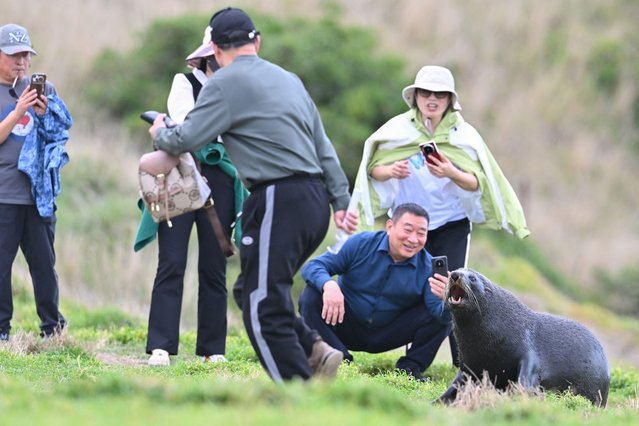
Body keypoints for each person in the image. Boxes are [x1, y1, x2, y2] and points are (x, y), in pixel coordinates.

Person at [148, 7, 358, 382]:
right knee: (252, 290)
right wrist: (341, 201)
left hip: (279, 197)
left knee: (261, 305)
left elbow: (188, 138)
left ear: (213, 48)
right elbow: (322, 144)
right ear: (256, 41)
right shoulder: (289, 79)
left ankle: (298, 394)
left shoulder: (222, 83)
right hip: (315, 203)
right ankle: (312, 349)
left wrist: (160, 133)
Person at [353, 65, 529, 365]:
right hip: (409, 226)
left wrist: (450, 171)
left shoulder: (465, 136)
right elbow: (373, 168)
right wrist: (390, 170)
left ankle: (464, 364)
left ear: (450, 100)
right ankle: (412, 361)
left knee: (454, 292)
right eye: (426, 93)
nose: (431, 99)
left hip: (450, 225)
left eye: (439, 94)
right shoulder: (398, 130)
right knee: (410, 288)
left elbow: (479, 182)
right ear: (416, 97)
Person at [134, 27, 248, 366]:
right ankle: (160, 346)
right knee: (172, 260)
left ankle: (213, 349)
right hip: (181, 173)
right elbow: (189, 125)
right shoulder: (184, 83)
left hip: (221, 176)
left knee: (214, 264)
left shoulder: (237, 90)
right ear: (211, 56)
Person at [299, 203, 451, 381]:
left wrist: (448, 302)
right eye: (408, 229)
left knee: (453, 311)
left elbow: (439, 317)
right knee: (311, 294)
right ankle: (338, 358)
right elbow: (314, 266)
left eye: (421, 233)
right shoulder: (360, 243)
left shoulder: (428, 267)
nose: (413, 239)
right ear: (390, 226)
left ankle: (409, 369)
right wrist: (329, 285)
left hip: (387, 333)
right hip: (343, 322)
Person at [0, 23, 72, 340]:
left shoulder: (45, 89)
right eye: (14, 55)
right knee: (1, 267)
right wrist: (17, 112)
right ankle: (1, 329)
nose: (21, 62)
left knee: (44, 265)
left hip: (38, 194)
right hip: (4, 195)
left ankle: (52, 328)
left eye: (26, 55)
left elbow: (59, 136)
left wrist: (45, 115)